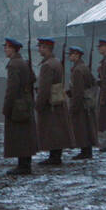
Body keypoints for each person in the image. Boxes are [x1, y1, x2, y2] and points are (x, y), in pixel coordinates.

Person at [33, 37, 74, 166]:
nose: (39, 49)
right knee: (57, 129)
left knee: (52, 130)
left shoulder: (47, 65)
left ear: (46, 48)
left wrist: (39, 104)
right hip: (57, 100)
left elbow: (45, 87)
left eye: (41, 47)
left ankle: (54, 157)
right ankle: (55, 155)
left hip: (50, 101)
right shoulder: (56, 62)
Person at [1, 37, 38, 174]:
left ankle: (23, 166)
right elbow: (33, 78)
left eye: (7, 47)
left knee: (19, 135)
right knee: (25, 134)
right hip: (26, 101)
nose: (5, 49)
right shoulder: (24, 62)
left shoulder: (13, 64)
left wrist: (7, 107)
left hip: (17, 104)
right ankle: (25, 163)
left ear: (13, 49)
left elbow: (12, 88)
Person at [66, 44, 96, 159]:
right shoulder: (84, 67)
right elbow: (92, 82)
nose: (70, 57)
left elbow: (78, 91)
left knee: (82, 127)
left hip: (81, 102)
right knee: (87, 126)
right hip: (86, 100)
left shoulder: (78, 70)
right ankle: (87, 150)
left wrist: (74, 107)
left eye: (72, 54)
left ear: (77, 55)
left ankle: (85, 151)